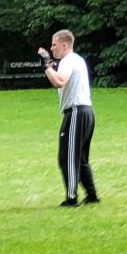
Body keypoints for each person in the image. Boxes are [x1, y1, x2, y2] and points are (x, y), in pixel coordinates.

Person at [40, 29, 98, 207]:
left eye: (54, 45)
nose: (52, 48)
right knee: (80, 158)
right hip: (86, 111)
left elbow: (59, 81)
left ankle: (71, 198)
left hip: (75, 112)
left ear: (64, 45)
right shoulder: (77, 60)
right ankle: (91, 195)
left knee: (67, 157)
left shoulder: (67, 61)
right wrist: (49, 66)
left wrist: (45, 65)